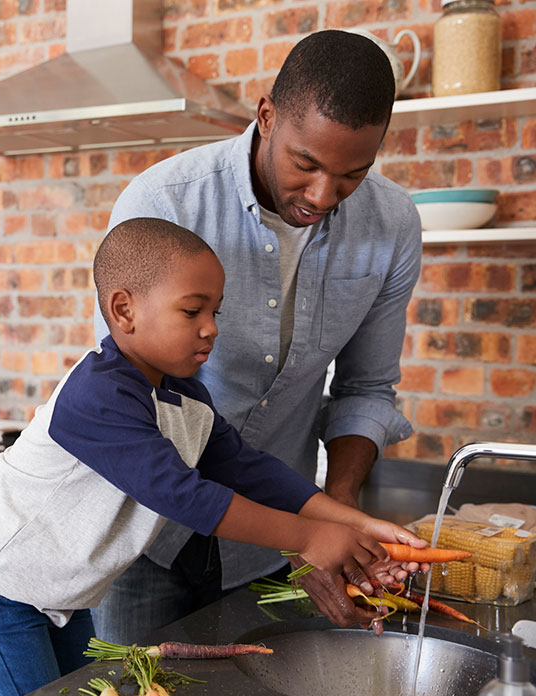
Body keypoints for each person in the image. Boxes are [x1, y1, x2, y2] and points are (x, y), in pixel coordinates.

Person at [0, 218, 426, 696]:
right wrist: (312, 536)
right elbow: (185, 497)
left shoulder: (185, 397)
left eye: (216, 312)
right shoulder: (97, 394)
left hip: (58, 587)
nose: (211, 329)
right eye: (193, 311)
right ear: (124, 311)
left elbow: (247, 469)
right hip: (0, 578)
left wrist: (354, 523)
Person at [92, 29, 423, 644]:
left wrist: (338, 517)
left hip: (271, 551)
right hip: (146, 540)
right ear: (266, 116)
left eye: (353, 173)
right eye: (306, 163)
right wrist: (308, 532)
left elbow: (367, 388)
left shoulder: (393, 224)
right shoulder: (165, 202)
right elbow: (137, 401)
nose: (323, 196)